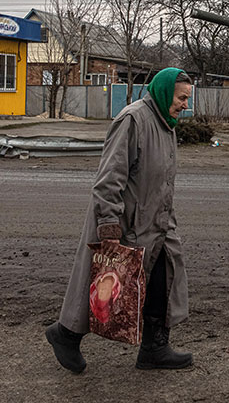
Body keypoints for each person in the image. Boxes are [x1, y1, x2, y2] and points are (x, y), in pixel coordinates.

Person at [46, 68, 194, 373]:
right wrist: (109, 224)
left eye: (187, 99)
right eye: (181, 98)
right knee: (106, 286)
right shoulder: (134, 120)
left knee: (162, 279)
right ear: (166, 91)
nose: (185, 105)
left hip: (158, 222)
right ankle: (66, 334)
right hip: (127, 222)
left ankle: (154, 348)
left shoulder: (167, 125)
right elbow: (109, 178)